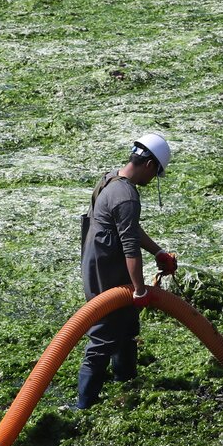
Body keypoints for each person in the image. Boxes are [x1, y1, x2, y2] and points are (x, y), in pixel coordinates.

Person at [74, 133, 178, 410]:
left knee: (127, 328)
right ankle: (84, 406)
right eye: (156, 174)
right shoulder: (127, 196)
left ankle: (125, 385)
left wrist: (158, 252)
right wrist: (141, 290)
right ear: (150, 166)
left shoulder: (110, 179)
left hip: (97, 266)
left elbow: (128, 230)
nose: (153, 180)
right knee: (104, 335)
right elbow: (130, 248)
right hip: (107, 275)